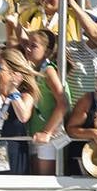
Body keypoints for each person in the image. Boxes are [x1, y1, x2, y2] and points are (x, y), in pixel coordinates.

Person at [0, 48, 39, 176]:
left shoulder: (25, 95)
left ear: (13, 72)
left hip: (15, 152)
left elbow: (23, 116)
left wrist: (12, 90)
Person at [18, 28, 70, 175]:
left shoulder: (48, 71)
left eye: (33, 46)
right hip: (36, 133)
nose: (28, 49)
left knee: (45, 180)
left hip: (50, 136)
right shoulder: (34, 71)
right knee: (35, 178)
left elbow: (63, 103)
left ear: (46, 52)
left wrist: (47, 132)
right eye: (27, 44)